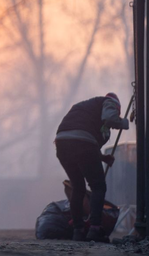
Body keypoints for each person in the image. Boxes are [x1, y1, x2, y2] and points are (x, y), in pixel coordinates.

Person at [54, 92, 129, 242]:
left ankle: (78, 230)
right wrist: (124, 123)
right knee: (98, 186)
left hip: (62, 144)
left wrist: (101, 157)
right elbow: (109, 119)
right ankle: (95, 229)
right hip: (82, 144)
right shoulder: (109, 101)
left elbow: (80, 135)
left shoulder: (84, 108)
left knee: (78, 187)